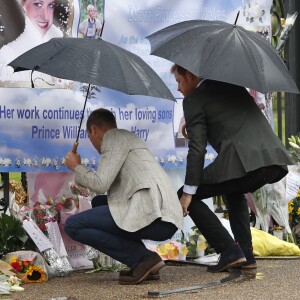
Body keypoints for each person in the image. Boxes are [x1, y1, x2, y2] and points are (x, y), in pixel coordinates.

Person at [171, 64, 293, 272]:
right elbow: (231, 125)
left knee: (184, 193)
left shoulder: (193, 99)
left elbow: (197, 150)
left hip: (245, 163)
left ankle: (229, 251)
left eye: (179, 81)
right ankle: (246, 254)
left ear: (190, 76)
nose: (179, 89)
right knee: (232, 189)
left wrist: (189, 192)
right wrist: (190, 127)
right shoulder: (232, 87)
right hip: (271, 161)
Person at [64, 108, 183, 285]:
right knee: (99, 202)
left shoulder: (112, 138)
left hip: (153, 214)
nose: (93, 144)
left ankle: (143, 259)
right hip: (164, 215)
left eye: (89, 137)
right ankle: (145, 263)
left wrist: (77, 167)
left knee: (73, 225)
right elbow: (109, 190)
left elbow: (101, 183)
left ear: (94, 130)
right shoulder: (128, 138)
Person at [0, 0, 63, 84]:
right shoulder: (7, 55)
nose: (45, 16)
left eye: (50, 5)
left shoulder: (59, 46)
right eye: (38, 4)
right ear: (21, 5)